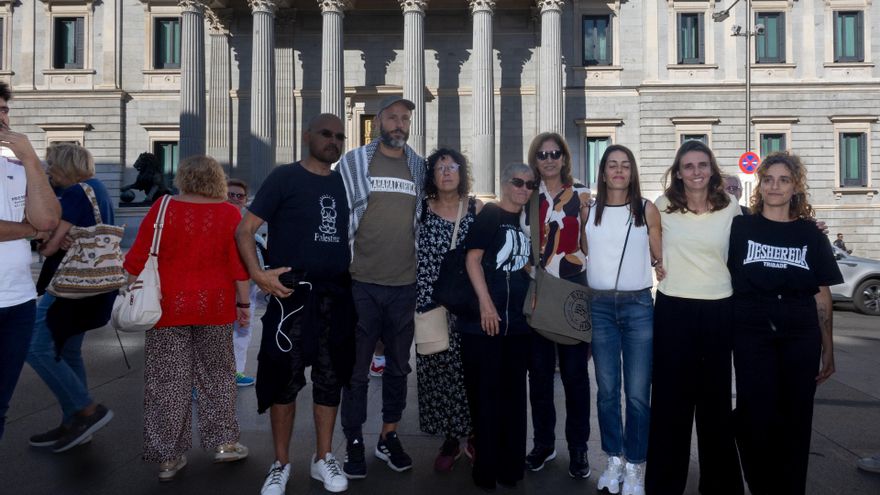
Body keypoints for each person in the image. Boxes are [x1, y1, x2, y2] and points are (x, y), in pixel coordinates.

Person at [236, 114, 354, 495]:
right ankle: (280, 463)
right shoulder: (284, 177)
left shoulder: (344, 182)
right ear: (307, 136)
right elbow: (245, 229)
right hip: (291, 297)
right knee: (282, 381)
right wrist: (258, 275)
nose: (333, 141)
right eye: (326, 134)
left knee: (329, 378)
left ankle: (323, 458)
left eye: (339, 136)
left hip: (335, 295)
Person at [124, 155, 250, 481]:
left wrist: (125, 285)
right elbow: (238, 267)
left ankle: (169, 457)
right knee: (219, 377)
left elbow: (138, 255)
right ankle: (224, 443)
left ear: (183, 176)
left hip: (167, 308)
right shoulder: (228, 213)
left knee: (167, 382)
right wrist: (245, 304)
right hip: (216, 307)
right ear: (216, 179)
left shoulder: (163, 207)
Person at [727, 152, 841, 494]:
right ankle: (761, 483)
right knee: (752, 413)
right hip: (751, 326)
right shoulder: (740, 226)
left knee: (795, 417)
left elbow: (821, 295)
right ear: (759, 185)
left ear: (796, 187)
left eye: (784, 180)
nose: (775, 186)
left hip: (799, 328)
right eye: (769, 179)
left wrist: (829, 347)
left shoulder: (810, 233)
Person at [645, 140, 744, 495]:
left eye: (702, 164)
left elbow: (746, 252)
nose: (696, 171)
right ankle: (664, 484)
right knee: (671, 402)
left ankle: (719, 484)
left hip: (720, 309)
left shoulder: (731, 208)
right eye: (688, 166)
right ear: (678, 172)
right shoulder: (661, 207)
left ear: (712, 169)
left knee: (715, 402)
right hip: (674, 310)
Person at [336, 95, 426, 478]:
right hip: (361, 283)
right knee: (356, 371)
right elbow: (337, 213)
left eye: (404, 117)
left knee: (398, 369)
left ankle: (389, 435)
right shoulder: (355, 162)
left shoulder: (419, 167)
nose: (399, 123)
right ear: (377, 122)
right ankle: (353, 441)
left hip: (404, 285)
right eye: (392, 116)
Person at [25, 144, 115, 452]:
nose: (49, 170)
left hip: (69, 283)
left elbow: (50, 247)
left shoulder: (77, 192)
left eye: (51, 165)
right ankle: (75, 425)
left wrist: (44, 240)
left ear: (65, 166)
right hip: (94, 284)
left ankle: (86, 409)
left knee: (35, 346)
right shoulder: (98, 188)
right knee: (67, 350)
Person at [584, 145, 661, 495]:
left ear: (632, 172)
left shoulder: (646, 209)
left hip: (638, 305)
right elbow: (582, 251)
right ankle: (613, 458)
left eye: (625, 166)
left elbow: (660, 256)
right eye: (612, 165)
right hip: (599, 306)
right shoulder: (589, 209)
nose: (618, 171)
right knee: (607, 392)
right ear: (602, 171)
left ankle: (635, 465)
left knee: (637, 394)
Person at [520, 132, 592, 478]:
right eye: (542, 154)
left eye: (555, 153)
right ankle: (543, 444)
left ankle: (578, 449)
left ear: (564, 158)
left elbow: (593, 245)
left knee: (577, 376)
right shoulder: (527, 197)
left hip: (574, 293)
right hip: (539, 294)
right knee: (540, 377)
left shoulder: (583, 197)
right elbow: (518, 241)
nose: (548, 159)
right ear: (535, 161)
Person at [460, 163, 535, 490]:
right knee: (486, 399)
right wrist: (486, 304)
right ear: (505, 184)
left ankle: (511, 468)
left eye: (529, 185)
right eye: (518, 182)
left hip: (517, 326)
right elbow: (472, 260)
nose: (523, 189)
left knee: (515, 399)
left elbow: (522, 266)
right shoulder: (490, 214)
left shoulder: (523, 222)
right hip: (485, 326)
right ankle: (486, 471)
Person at [0, 81, 61, 440]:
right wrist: (27, 228)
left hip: (18, 301)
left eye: (4, 110)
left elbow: (49, 221)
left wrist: (31, 160)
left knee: (1, 405)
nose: (2, 119)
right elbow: (36, 227)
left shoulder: (16, 166)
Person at [415, 148, 483, 471]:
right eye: (439, 168)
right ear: (431, 175)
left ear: (461, 172)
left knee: (470, 370)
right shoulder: (421, 211)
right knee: (438, 370)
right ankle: (450, 437)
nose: (446, 172)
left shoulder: (476, 209)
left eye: (451, 166)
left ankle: (472, 433)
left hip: (467, 304)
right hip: (430, 302)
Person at [226, 178, 258, 387]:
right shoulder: (219, 223)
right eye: (231, 194)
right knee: (216, 337)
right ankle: (199, 382)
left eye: (240, 195)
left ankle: (236, 371)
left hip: (248, 289)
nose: (236, 199)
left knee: (242, 333)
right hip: (225, 289)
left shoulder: (249, 225)